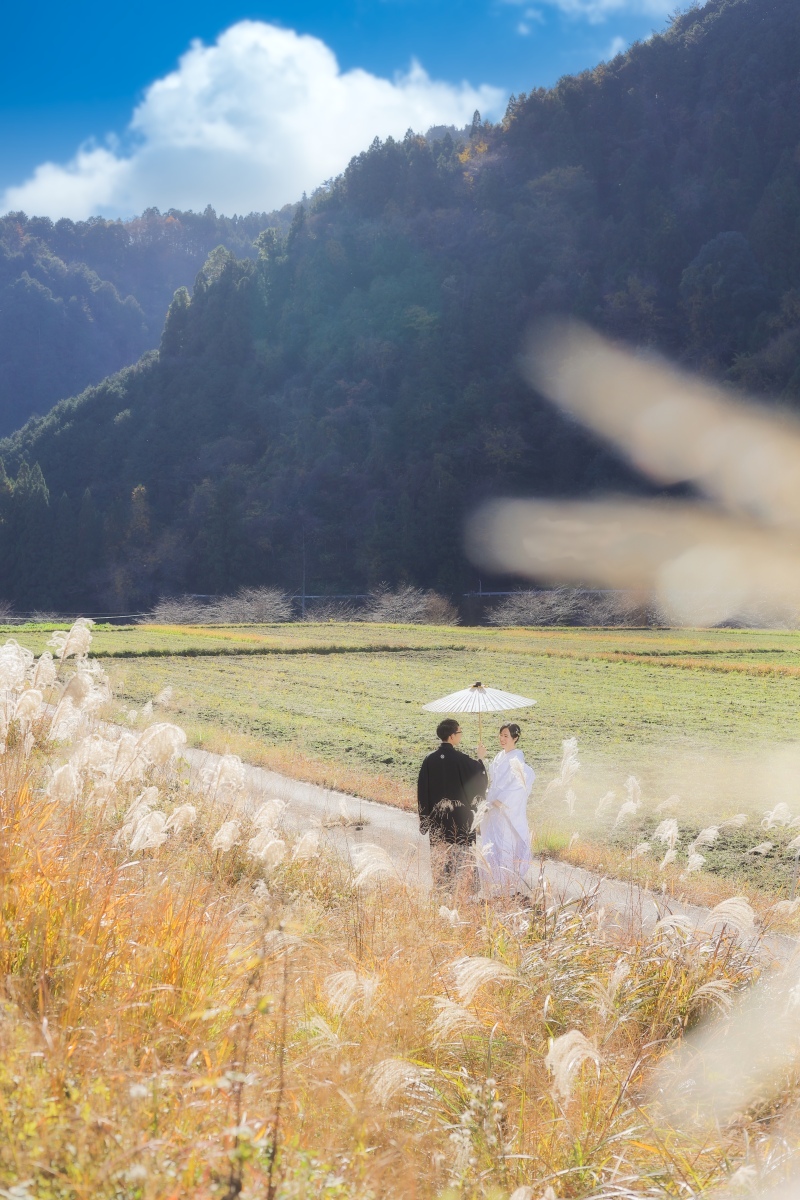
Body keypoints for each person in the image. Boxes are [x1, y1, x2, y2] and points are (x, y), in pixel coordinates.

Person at [417, 718, 488, 885]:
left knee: (441, 858)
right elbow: (478, 777)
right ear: (451, 736)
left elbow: (422, 790)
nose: (460, 735)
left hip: (438, 821)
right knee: (461, 859)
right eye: (459, 732)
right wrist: (480, 758)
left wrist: (425, 818)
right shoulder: (461, 759)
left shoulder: (429, 760)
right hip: (460, 821)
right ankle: (462, 890)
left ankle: (442, 890)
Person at [478, 723, 534, 897]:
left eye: (506, 736)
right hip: (493, 809)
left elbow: (519, 785)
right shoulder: (499, 756)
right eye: (501, 735)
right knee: (492, 844)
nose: (502, 739)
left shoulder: (517, 759)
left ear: (515, 738)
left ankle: (506, 887)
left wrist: (501, 800)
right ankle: (492, 885)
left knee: (505, 845)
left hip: (504, 810)